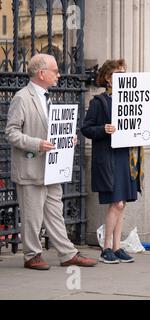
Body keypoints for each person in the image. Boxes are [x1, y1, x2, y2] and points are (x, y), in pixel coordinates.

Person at [5, 53, 98, 270]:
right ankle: (31, 255)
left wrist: (67, 139)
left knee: (55, 212)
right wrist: (36, 143)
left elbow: (52, 129)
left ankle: (67, 253)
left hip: (52, 168)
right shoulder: (22, 97)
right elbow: (11, 133)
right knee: (32, 216)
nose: (58, 74)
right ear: (41, 73)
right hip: (31, 168)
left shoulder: (47, 96)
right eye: (55, 70)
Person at [81, 59, 150, 264]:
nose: (123, 76)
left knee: (122, 204)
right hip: (109, 157)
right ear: (108, 78)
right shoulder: (99, 102)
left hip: (127, 156)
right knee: (116, 202)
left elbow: (140, 125)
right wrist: (103, 129)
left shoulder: (134, 99)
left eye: (124, 72)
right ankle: (106, 247)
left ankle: (116, 247)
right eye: (118, 73)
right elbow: (86, 128)